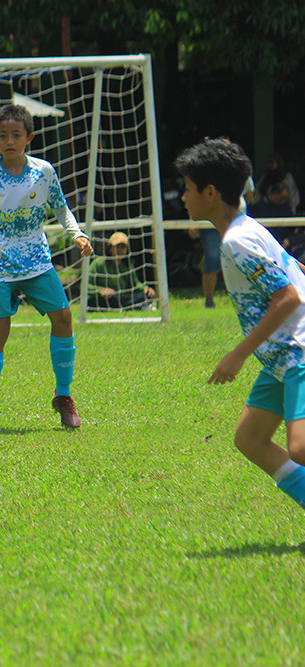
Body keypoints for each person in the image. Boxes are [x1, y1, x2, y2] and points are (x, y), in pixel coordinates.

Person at [174, 137, 305, 517]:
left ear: (210, 192)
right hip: (281, 359)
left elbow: (288, 298)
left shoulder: (237, 243)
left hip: (297, 351)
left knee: (299, 447)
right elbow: (294, 273)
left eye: (188, 188)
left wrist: (237, 355)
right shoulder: (247, 227)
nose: (183, 197)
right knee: (250, 439)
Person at [0, 104, 94, 432]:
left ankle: (63, 396)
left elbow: (61, 209)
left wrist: (76, 234)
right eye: (3, 135)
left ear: (29, 137)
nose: (10, 141)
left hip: (36, 260)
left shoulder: (44, 171)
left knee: (63, 318)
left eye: (16, 135)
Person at [190, 174, 255, 308]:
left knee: (243, 259)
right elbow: (195, 197)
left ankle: (248, 297)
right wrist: (193, 221)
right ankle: (209, 301)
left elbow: (249, 197)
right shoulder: (205, 170)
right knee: (212, 258)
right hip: (210, 224)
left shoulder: (241, 171)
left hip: (237, 222)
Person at [87, 232, 156, 311]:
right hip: (103, 299)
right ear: (110, 248)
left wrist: (146, 289)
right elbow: (86, 285)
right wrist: (101, 290)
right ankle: (134, 306)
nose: (120, 250)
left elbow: (135, 284)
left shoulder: (127, 265)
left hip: (122, 298)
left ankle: (130, 306)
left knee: (144, 295)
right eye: (117, 247)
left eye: (123, 247)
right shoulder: (98, 263)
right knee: (108, 299)